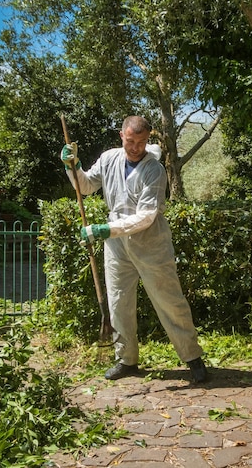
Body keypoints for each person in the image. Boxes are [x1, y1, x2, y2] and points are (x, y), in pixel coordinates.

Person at [60, 115, 207, 383]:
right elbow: (86, 186)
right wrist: (73, 166)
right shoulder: (108, 159)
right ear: (121, 136)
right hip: (117, 247)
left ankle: (193, 358)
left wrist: (105, 230)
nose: (135, 147)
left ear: (147, 139)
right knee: (118, 302)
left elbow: (146, 217)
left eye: (141, 142)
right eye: (130, 141)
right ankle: (126, 360)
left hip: (151, 244)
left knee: (169, 301)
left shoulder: (154, 170)